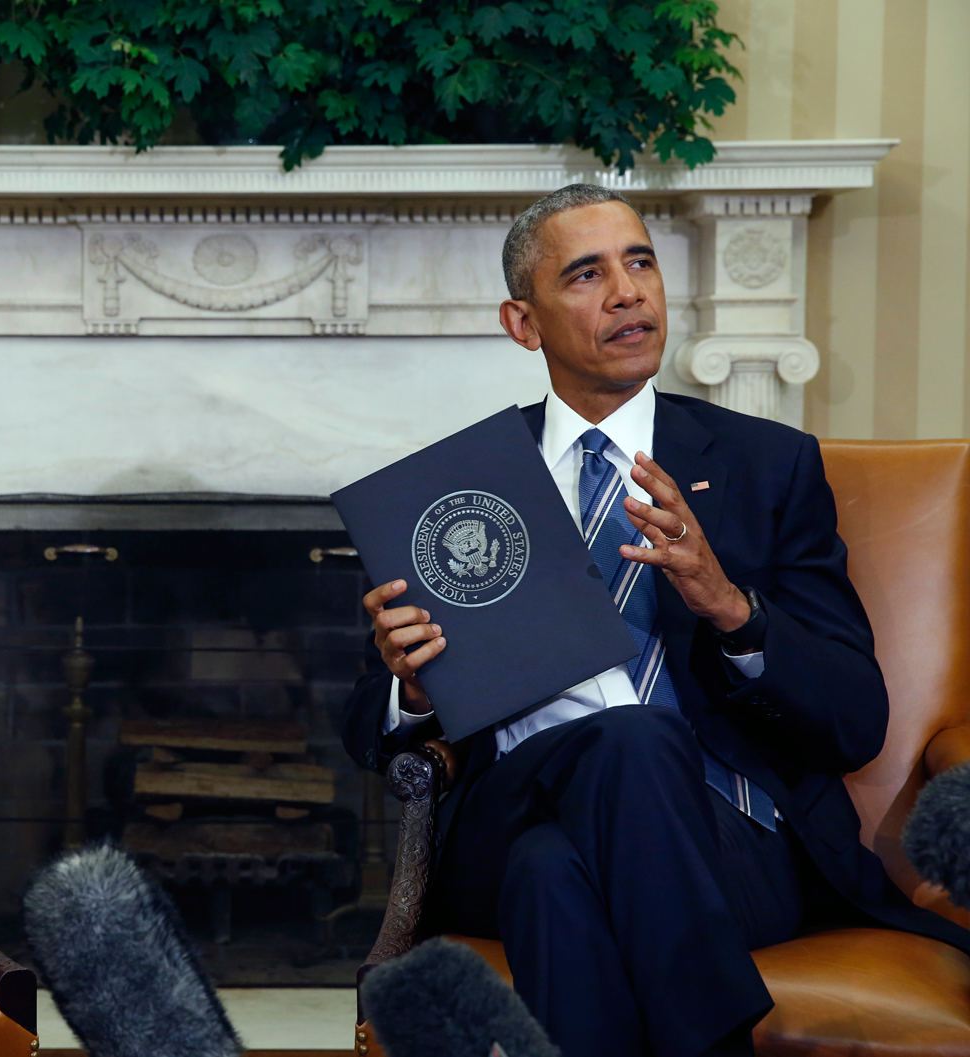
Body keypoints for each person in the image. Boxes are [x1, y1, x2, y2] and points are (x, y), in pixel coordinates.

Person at [339, 184, 970, 1057]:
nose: (629, 291)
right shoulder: (462, 491)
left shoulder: (767, 465)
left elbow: (856, 718)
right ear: (523, 324)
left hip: (729, 839)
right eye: (587, 274)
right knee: (627, 745)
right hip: (509, 808)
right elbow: (366, 724)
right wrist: (410, 687)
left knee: (555, 875)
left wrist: (731, 608)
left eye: (640, 262)